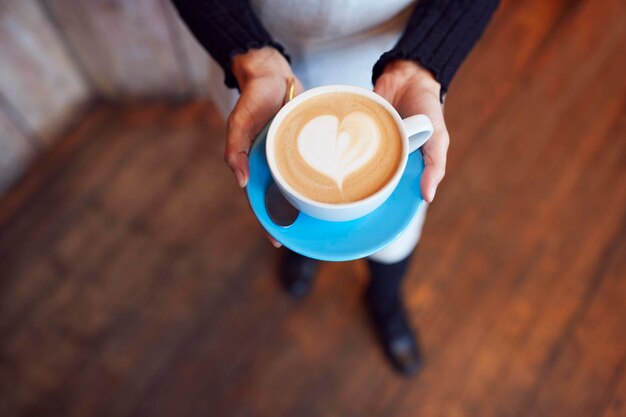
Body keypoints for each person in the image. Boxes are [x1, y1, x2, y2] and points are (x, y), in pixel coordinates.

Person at [172, 0, 499, 376]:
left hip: (387, 71)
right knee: (286, 201)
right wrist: (248, 51)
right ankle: (303, 252)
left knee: (396, 235)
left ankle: (385, 300)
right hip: (253, 57)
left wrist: (421, 65)